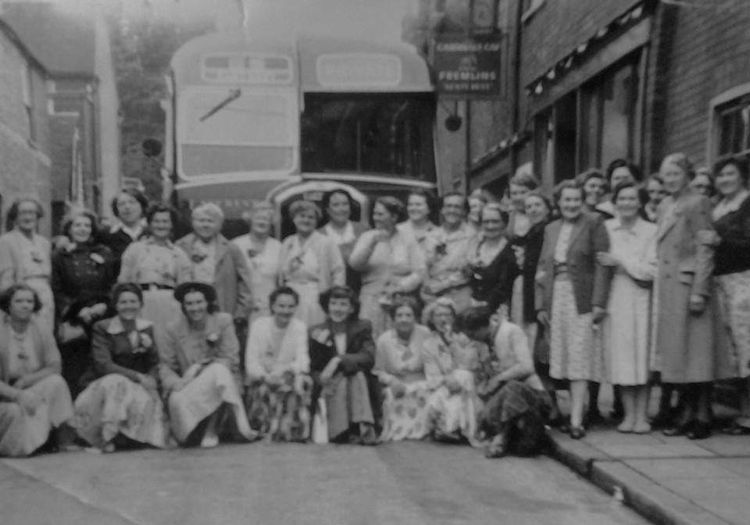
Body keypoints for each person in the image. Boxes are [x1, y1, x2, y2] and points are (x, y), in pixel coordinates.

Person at [654, 153, 731, 440]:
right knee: (678, 354)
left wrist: (699, 290)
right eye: (666, 175)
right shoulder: (664, 204)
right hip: (669, 288)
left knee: (697, 354)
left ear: (687, 175)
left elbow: (705, 248)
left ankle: (702, 415)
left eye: (675, 174)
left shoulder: (698, 202)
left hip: (688, 287)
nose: (670, 180)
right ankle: (686, 411)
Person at [536, 180, 610, 439]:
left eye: (576, 199)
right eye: (566, 200)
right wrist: (540, 304)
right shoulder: (551, 228)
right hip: (556, 297)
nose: (571, 204)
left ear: (583, 200)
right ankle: (568, 413)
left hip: (581, 300)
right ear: (558, 202)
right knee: (562, 359)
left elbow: (603, 264)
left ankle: (577, 419)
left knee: (579, 358)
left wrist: (599, 302)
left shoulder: (594, 222)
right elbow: (543, 269)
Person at [72, 283, 168, 452]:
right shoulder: (102, 328)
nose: (129, 306)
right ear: (115, 305)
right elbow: (104, 365)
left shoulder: (147, 327)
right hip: (103, 387)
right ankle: (106, 436)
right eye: (123, 302)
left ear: (141, 304)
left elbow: (154, 362)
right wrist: (139, 377)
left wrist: (152, 379)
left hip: (135, 386)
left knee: (150, 399)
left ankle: (130, 437)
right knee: (116, 382)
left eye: (133, 301)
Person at [160, 282, 255, 447]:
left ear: (208, 303)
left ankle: (213, 429)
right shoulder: (173, 329)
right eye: (189, 303)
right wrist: (176, 383)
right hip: (187, 384)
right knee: (177, 403)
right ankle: (190, 431)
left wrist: (199, 368)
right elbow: (166, 366)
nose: (195, 308)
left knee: (219, 372)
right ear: (183, 306)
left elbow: (230, 358)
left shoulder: (222, 321)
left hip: (222, 380)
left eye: (199, 302)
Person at [597, 182, 657, 434]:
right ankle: (629, 414)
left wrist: (621, 261)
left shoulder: (651, 230)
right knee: (621, 357)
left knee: (641, 357)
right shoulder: (606, 228)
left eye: (632, 199)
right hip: (616, 298)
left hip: (642, 298)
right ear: (615, 202)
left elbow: (652, 270)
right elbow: (600, 263)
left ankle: (642, 416)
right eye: (621, 199)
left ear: (640, 202)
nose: (626, 203)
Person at [0, 284, 76, 456]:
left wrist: (27, 381)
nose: (25, 305)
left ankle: (59, 438)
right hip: (5, 394)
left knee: (56, 383)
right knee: (15, 412)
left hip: (29, 385)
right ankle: (23, 445)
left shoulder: (41, 328)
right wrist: (17, 395)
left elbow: (55, 366)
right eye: (19, 301)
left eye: (30, 301)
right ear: (8, 305)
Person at [468, 307, 551, 459]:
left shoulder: (511, 331)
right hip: (508, 402)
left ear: (482, 327)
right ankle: (506, 434)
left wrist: (499, 378)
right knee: (489, 402)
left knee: (512, 387)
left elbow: (526, 367)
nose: (474, 339)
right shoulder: (486, 344)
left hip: (534, 397)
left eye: (473, 334)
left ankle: (501, 437)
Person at [51, 209, 116, 395]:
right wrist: (77, 310)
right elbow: (56, 289)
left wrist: (104, 304)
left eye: (87, 225)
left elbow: (112, 283)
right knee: (74, 366)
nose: (82, 229)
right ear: (69, 229)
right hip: (75, 318)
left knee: (100, 362)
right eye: (78, 225)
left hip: (101, 315)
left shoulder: (104, 252)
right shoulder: (60, 256)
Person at [309, 286, 377, 444]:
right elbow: (313, 367)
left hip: (357, 382)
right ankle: (349, 429)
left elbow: (368, 358)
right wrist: (321, 379)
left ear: (352, 308)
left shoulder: (362, 327)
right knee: (346, 380)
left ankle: (362, 425)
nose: (337, 309)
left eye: (343, 304)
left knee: (356, 376)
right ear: (327, 306)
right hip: (330, 384)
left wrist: (337, 360)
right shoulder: (316, 331)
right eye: (333, 304)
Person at [712, 157, 750, 435]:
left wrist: (721, 241)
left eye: (730, 174)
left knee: (746, 346)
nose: (724, 179)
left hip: (743, 280)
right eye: (720, 175)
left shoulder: (747, 205)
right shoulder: (718, 206)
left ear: (742, 176)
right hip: (720, 283)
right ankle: (742, 411)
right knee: (733, 351)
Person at [350, 197, 426, 337]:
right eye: (374, 214)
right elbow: (355, 264)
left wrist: (401, 286)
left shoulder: (408, 238)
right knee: (370, 338)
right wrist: (372, 243)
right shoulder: (368, 236)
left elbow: (420, 271)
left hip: (400, 300)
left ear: (394, 217)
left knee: (399, 339)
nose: (376, 218)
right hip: (371, 299)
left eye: (380, 214)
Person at [244, 286, 312, 442]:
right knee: (263, 388)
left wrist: (286, 370)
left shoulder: (299, 327)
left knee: (302, 382)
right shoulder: (258, 326)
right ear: (273, 306)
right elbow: (251, 362)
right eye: (281, 306)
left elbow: (304, 361)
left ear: (296, 307)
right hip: (263, 378)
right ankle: (265, 428)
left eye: (290, 306)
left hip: (287, 377)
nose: (286, 311)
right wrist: (266, 376)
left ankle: (292, 430)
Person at [176, 202, 252, 338]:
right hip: (190, 309)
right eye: (201, 220)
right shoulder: (181, 247)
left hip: (221, 309)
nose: (205, 225)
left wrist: (240, 314)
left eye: (210, 221)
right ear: (193, 222)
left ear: (219, 224)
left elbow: (244, 285)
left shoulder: (231, 249)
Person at [118, 203, 192, 337]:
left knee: (165, 342)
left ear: (171, 225)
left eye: (165, 221)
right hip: (141, 302)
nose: (161, 225)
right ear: (149, 224)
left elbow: (185, 286)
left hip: (169, 303)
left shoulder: (178, 253)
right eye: (156, 221)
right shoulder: (135, 249)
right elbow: (124, 281)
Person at [422, 297, 480, 445]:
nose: (443, 319)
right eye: (438, 315)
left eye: (447, 315)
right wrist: (448, 380)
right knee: (439, 401)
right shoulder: (428, 344)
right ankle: (453, 429)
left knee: (464, 376)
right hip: (444, 385)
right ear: (432, 319)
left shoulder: (463, 339)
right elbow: (432, 375)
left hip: (467, 387)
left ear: (453, 318)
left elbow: (469, 365)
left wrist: (453, 344)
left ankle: (458, 429)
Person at [374, 295, 432, 442]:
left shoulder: (425, 334)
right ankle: (399, 430)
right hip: (397, 382)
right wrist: (391, 381)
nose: (404, 319)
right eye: (399, 315)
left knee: (422, 391)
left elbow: (433, 363)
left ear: (415, 317)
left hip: (422, 380)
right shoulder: (384, 340)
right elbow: (378, 370)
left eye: (408, 315)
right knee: (392, 395)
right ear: (393, 318)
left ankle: (422, 431)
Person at [279, 200, 345, 327]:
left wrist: (335, 300)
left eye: (311, 217)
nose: (306, 220)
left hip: (315, 297)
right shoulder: (288, 242)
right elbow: (281, 274)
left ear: (316, 221)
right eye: (302, 216)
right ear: (294, 219)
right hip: (289, 298)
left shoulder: (326, 242)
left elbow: (338, 271)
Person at [0, 198, 54, 335]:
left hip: (45, 296)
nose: (28, 217)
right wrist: (8, 306)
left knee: (44, 337)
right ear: (15, 217)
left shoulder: (44, 243)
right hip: (22, 296)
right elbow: (6, 277)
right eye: (23, 213)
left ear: (38, 216)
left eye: (32, 213)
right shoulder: (7, 241)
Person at [421, 192, 475, 312]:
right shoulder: (431, 235)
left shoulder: (472, 236)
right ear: (442, 210)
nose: (452, 210)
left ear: (464, 211)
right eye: (448, 206)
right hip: (432, 295)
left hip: (459, 294)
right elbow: (424, 265)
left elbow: (467, 271)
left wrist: (440, 285)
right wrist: (427, 287)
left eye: (457, 207)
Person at [232, 202, 282, 323]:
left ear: (271, 223)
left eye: (266, 219)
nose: (262, 222)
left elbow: (281, 281)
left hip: (270, 309)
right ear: (250, 220)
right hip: (243, 311)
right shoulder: (236, 245)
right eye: (258, 218)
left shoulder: (279, 247)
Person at [467, 203, 518, 313]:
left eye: (495, 221)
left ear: (504, 223)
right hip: (473, 306)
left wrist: (486, 307)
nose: (490, 226)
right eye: (486, 222)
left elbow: (504, 287)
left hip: (499, 309)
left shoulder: (510, 251)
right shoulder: (475, 246)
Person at [319, 189, 368, 292]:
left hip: (361, 292)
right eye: (336, 205)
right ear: (327, 209)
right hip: (331, 294)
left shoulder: (363, 230)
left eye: (345, 204)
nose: (341, 209)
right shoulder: (319, 235)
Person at [101, 188, 149, 270]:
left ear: (142, 206)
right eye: (121, 204)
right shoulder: (107, 236)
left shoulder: (152, 232)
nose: (127, 207)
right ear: (116, 210)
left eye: (132, 202)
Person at [398, 189, 438, 254]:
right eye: (410, 204)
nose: (413, 208)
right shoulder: (397, 231)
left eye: (418, 205)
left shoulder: (438, 234)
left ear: (429, 209)